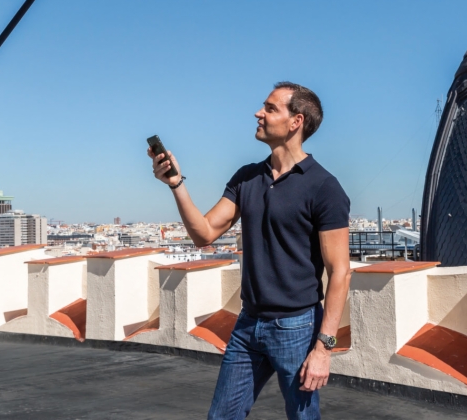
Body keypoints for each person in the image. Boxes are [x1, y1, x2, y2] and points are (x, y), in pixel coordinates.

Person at [148, 82, 351, 420]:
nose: (259, 113)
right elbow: (204, 234)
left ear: (296, 121)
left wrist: (323, 349)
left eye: (270, 108)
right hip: (248, 324)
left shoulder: (324, 187)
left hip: (296, 328)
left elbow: (340, 272)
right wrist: (177, 185)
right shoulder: (247, 178)